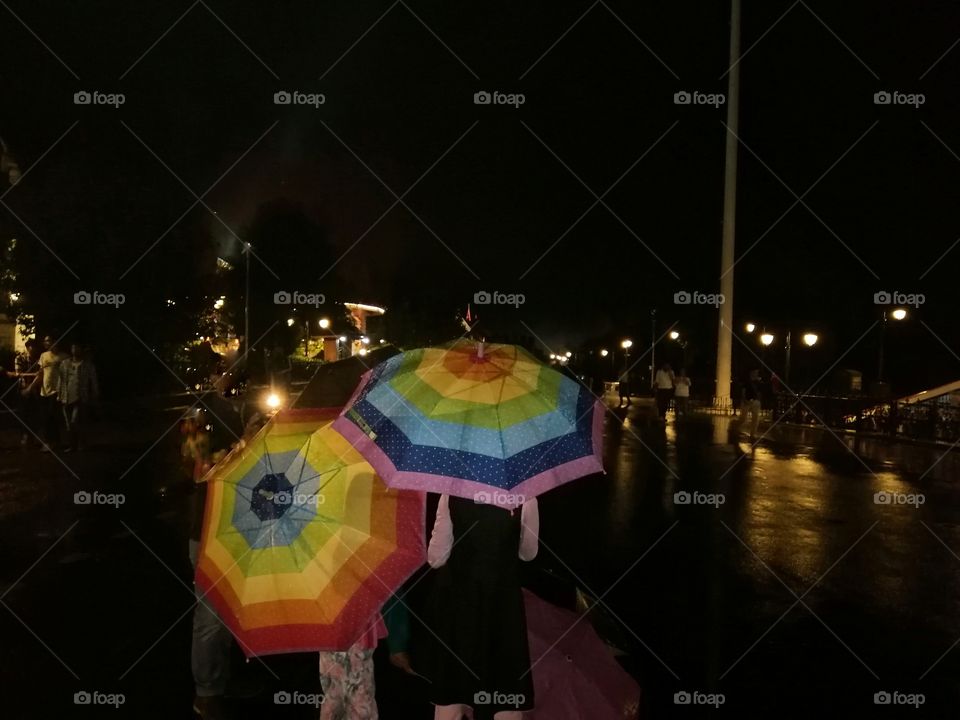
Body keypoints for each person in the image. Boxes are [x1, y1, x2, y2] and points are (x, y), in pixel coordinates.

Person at [424, 494, 538, 719]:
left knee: (452, 694)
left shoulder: (451, 493)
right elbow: (528, 553)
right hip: (503, 610)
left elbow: (436, 559)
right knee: (505, 693)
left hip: (461, 609)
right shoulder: (525, 495)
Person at [58, 343, 99, 451]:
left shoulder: (87, 365)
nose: (75, 349)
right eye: (73, 347)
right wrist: (58, 393)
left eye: (77, 347)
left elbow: (93, 380)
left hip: (80, 396)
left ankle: (79, 443)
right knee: (68, 424)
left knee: (74, 421)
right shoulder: (65, 363)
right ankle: (74, 444)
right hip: (66, 396)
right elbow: (60, 379)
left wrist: (95, 393)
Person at [31, 335, 65, 452]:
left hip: (56, 391)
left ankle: (54, 442)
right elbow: (41, 373)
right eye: (45, 341)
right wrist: (32, 387)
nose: (46, 343)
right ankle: (49, 441)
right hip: (44, 391)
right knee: (45, 417)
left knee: (52, 416)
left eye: (48, 341)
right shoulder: (44, 355)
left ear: (55, 342)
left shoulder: (63, 357)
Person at [741, 369, 764, 441]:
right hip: (747, 401)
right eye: (755, 372)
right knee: (743, 418)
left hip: (756, 401)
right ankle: (737, 427)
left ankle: (752, 434)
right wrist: (744, 399)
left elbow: (760, 392)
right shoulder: (747, 382)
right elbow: (743, 390)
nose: (756, 374)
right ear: (751, 373)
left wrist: (759, 400)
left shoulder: (759, 382)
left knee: (755, 418)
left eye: (757, 372)